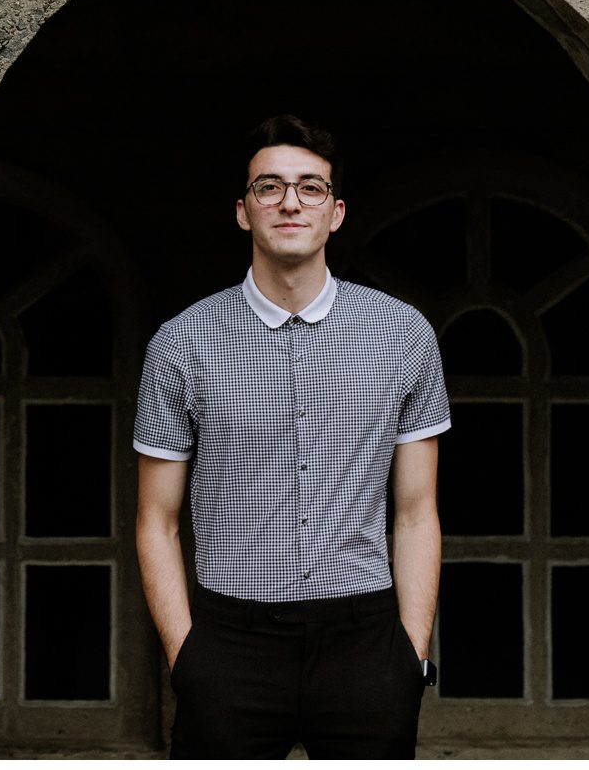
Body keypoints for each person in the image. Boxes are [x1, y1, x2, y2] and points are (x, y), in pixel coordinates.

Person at [133, 115, 448, 759]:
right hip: (229, 644)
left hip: (366, 642)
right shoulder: (181, 344)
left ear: (335, 213)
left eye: (309, 187)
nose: (289, 201)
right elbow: (155, 521)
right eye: (269, 187)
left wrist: (411, 655)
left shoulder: (404, 334)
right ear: (243, 212)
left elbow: (417, 514)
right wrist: (186, 658)